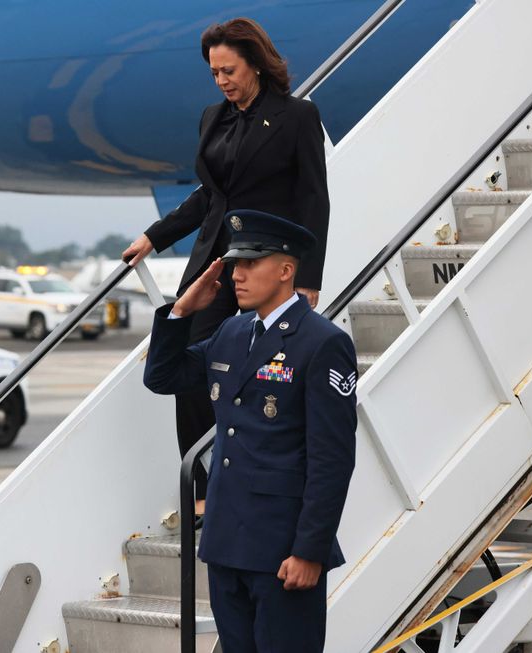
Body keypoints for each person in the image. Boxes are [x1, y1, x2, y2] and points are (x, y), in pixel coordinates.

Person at [123, 17, 330, 511]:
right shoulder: (212, 117)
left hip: (266, 261)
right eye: (214, 72)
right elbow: (208, 198)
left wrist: (308, 277)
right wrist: (155, 236)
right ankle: (201, 485)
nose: (221, 81)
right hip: (214, 260)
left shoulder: (297, 117)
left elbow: (314, 200)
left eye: (229, 70)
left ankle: (257, 474)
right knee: (192, 355)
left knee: (273, 369)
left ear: (255, 63)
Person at [143, 210, 355, 652]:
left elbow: (331, 458)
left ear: (284, 270)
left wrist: (310, 551)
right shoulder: (232, 332)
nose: (236, 275)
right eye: (235, 264)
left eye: (249, 264)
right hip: (226, 543)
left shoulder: (321, 342)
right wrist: (181, 311)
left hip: (282, 549)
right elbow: (162, 379)